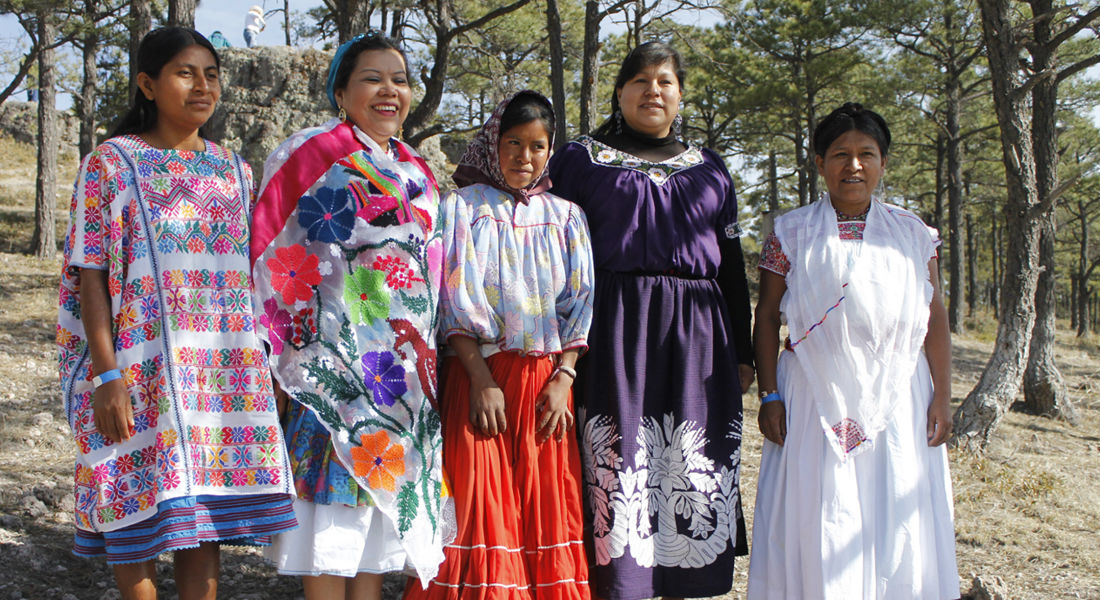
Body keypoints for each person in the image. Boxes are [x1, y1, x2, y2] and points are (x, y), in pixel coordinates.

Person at [56, 26, 297, 600]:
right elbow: (90, 275)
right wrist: (106, 373)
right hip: (137, 370)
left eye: (211, 75)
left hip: (217, 374)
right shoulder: (110, 165)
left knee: (202, 517)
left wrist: (268, 366)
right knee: (132, 506)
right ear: (147, 84)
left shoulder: (234, 171)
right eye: (186, 73)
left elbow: (253, 277)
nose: (203, 86)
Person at [546, 41, 755, 600]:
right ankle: (621, 586)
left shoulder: (710, 168)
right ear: (619, 92)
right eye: (639, 80)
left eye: (664, 81)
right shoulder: (579, 159)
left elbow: (731, 265)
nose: (652, 91)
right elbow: (552, 252)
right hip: (614, 329)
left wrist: (744, 353)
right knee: (618, 460)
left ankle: (687, 581)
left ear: (680, 93)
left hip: (698, 339)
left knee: (691, 458)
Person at [251, 31, 450, 600]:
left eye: (400, 79)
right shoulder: (310, 153)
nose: (389, 91)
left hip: (402, 375)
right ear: (342, 90)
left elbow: (430, 277)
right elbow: (268, 249)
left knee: (377, 526)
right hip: (332, 361)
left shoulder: (418, 172)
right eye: (372, 78)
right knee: (333, 514)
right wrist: (282, 351)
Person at [747, 103, 959, 599]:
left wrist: (943, 396)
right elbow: (767, 316)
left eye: (867, 153)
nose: (854, 165)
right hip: (813, 396)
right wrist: (770, 395)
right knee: (820, 513)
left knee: (893, 511)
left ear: (884, 162)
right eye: (841, 154)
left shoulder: (912, 234)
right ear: (819, 162)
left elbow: (935, 317)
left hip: (899, 396)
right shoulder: (791, 231)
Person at [404, 90, 594, 600]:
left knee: (542, 505)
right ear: (493, 142)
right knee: (479, 506)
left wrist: (565, 375)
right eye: (513, 142)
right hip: (480, 377)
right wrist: (482, 381)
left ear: (549, 151)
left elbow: (579, 304)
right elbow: (451, 303)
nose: (523, 157)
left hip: (546, 384)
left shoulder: (568, 216)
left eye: (536, 146)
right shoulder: (461, 209)